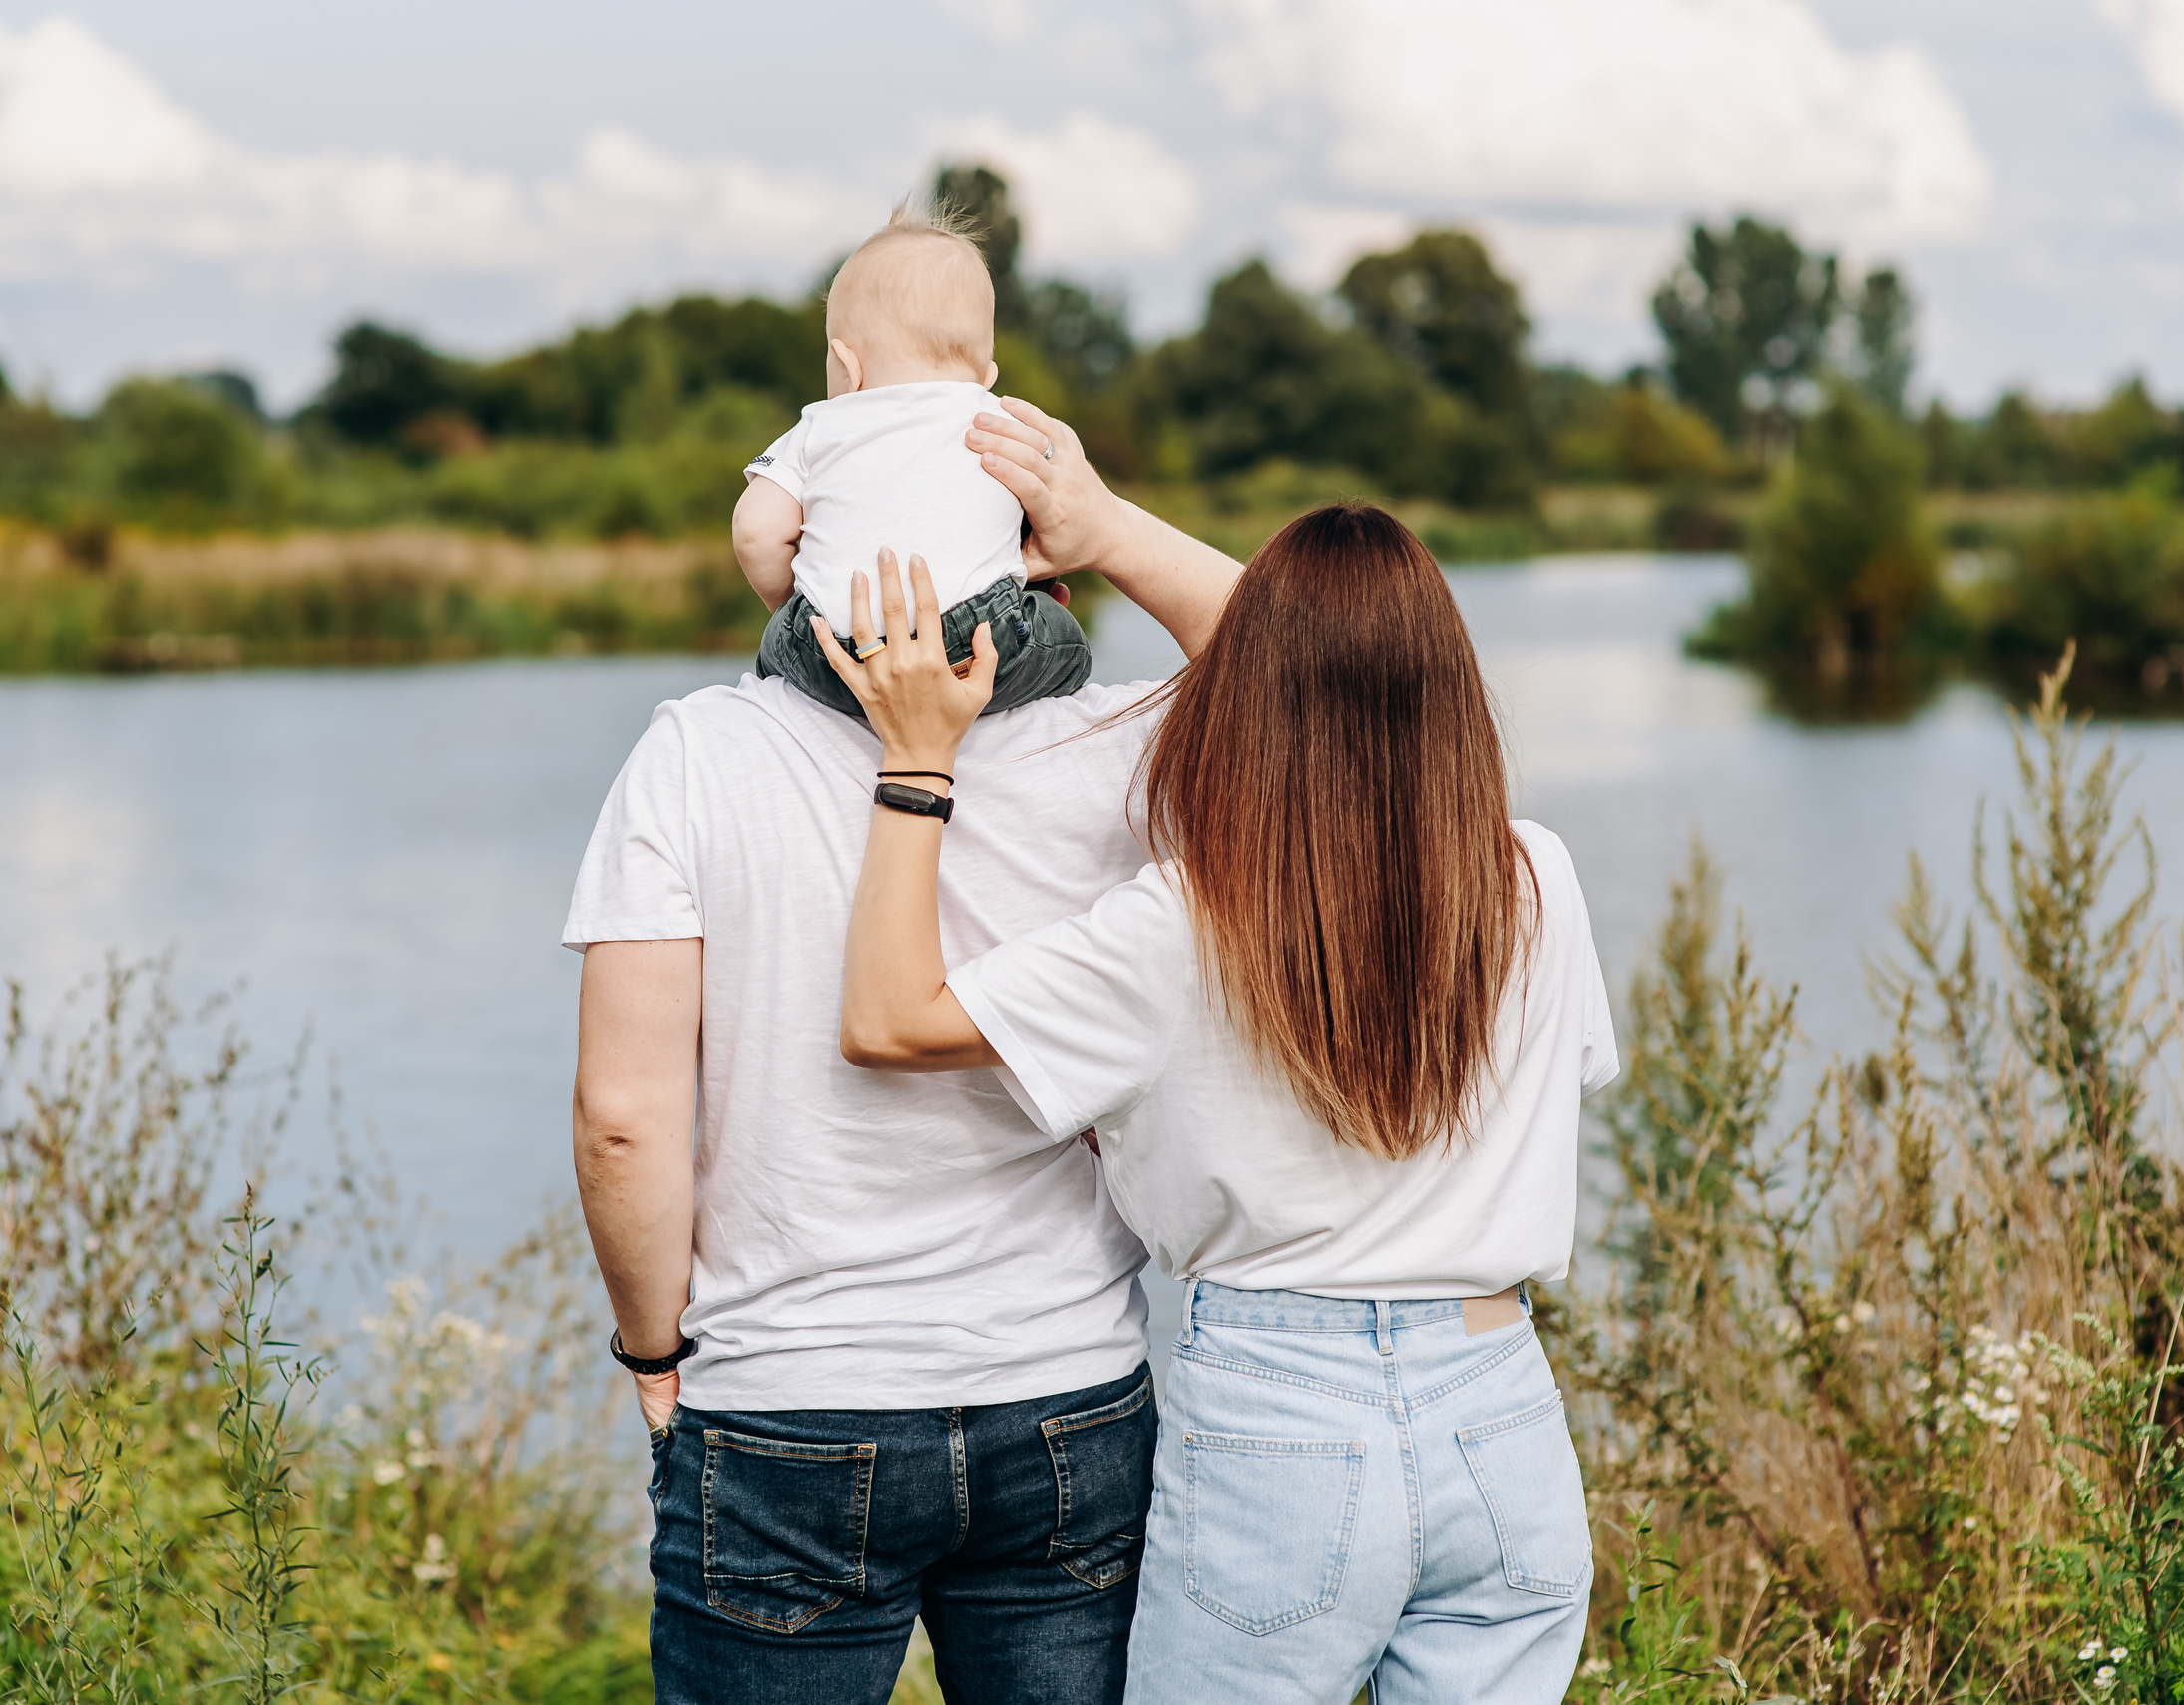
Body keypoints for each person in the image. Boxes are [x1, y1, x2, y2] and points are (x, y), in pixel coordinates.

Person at [821, 501, 1618, 1703]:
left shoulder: (1188, 921)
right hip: (1499, 1402)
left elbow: (886, 1017)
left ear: (1247, 690)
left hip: (1279, 1415)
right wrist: (1101, 521)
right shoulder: (1532, 876)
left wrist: (919, 764)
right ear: (1451, 684)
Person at [566, 400, 1241, 1705]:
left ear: (807, 534)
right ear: (1026, 544)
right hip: (1065, 1395)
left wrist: (654, 1356)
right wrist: (1104, 528)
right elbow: (1310, 663)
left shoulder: (694, 754)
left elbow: (622, 1118)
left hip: (785, 1398)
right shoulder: (1119, 742)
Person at [733, 201, 1090, 721]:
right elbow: (1052, 515)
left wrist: (801, 609)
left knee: (777, 650)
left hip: (836, 651)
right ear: (986, 375)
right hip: (978, 642)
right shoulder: (997, 419)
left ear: (847, 365)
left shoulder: (820, 426)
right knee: (1068, 646)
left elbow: (755, 530)